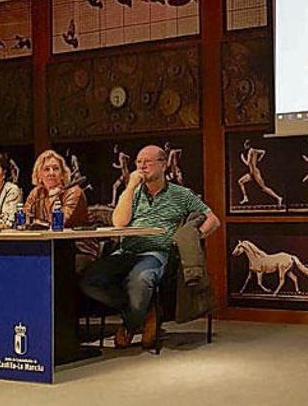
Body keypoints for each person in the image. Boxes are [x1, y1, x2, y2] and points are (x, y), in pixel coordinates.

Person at [80, 145, 220, 349]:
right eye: (138, 162)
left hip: (156, 253)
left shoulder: (180, 194)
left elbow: (213, 220)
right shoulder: (133, 193)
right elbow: (119, 222)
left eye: (147, 161)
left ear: (163, 165)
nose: (142, 166)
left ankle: (129, 324)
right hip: (126, 251)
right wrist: (129, 188)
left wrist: (190, 238)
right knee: (89, 281)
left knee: (142, 280)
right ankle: (145, 310)